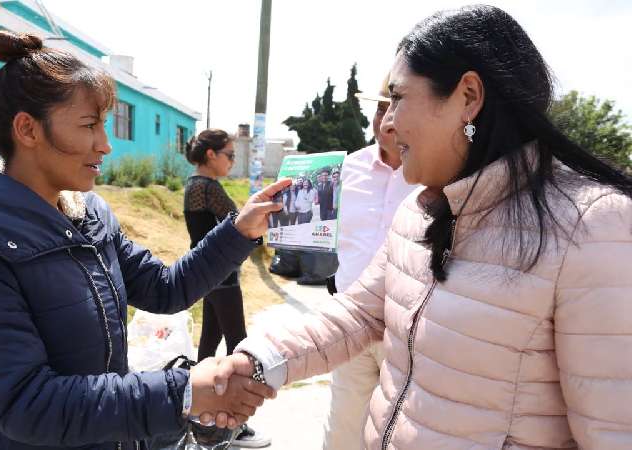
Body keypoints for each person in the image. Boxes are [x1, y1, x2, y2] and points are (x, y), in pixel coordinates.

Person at [216, 5, 632, 448]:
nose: (387, 122)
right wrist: (254, 361)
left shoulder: (592, 227)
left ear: (468, 97)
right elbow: (358, 314)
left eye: (397, 97)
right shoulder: (421, 210)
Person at [0, 31, 287, 450]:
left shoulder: (87, 216)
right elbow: (26, 404)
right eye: (89, 125)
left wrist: (240, 229)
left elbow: (167, 289)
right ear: (27, 129)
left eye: (105, 125)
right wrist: (181, 391)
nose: (105, 144)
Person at [322, 75, 417, 450]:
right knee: (344, 428)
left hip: (409, 330)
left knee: (401, 433)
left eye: (393, 107)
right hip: (351, 324)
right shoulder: (344, 171)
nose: (385, 119)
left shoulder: (436, 176)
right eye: (379, 108)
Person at [183, 128, 271, 448]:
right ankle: (234, 423)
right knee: (239, 346)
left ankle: (194, 415)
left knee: (209, 343)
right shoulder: (208, 187)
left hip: (208, 274)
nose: (233, 161)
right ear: (211, 155)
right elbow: (243, 222)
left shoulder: (194, 185)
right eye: (230, 155)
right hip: (222, 276)